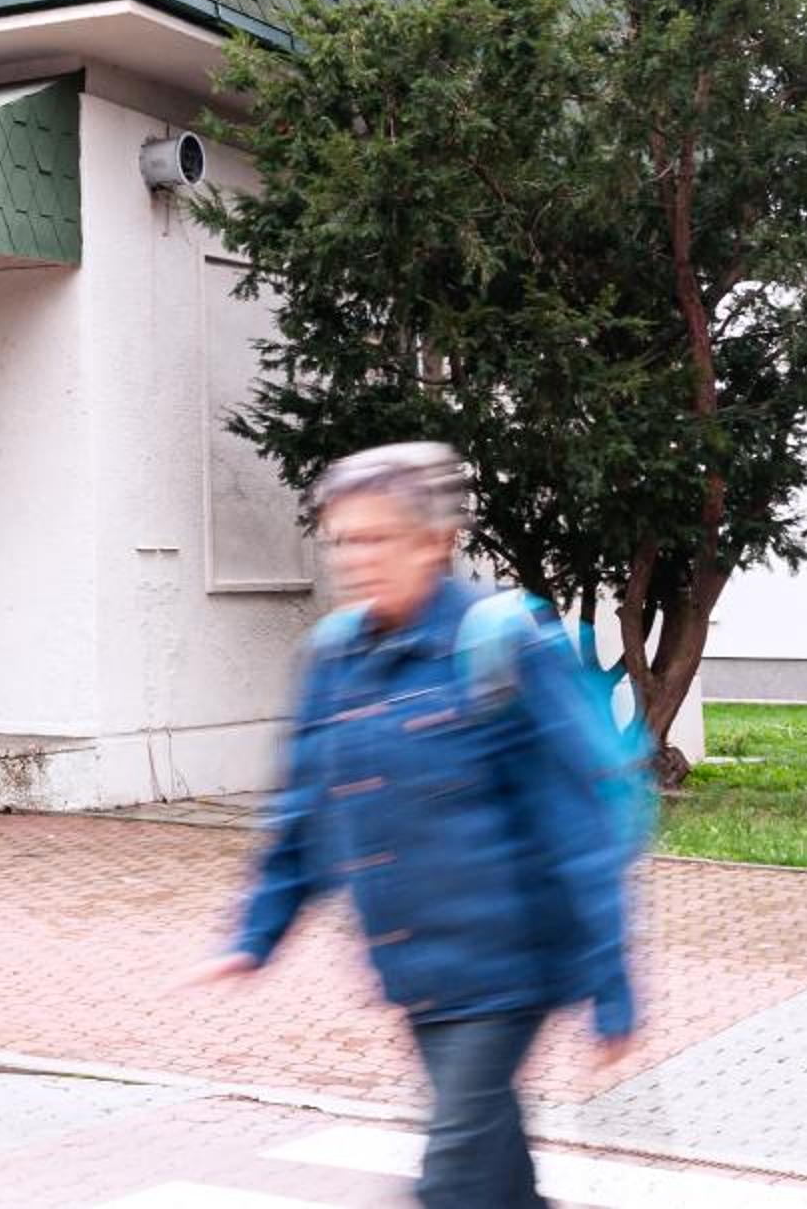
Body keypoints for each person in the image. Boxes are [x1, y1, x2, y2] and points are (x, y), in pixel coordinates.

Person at [183, 441, 644, 1208]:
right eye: (343, 541)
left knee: (452, 1179)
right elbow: (305, 814)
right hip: (416, 972)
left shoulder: (500, 644)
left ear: (435, 541)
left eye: (377, 538)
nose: (355, 560)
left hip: (511, 967)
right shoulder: (334, 659)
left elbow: (579, 822)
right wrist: (255, 934)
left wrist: (613, 984)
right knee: (494, 1175)